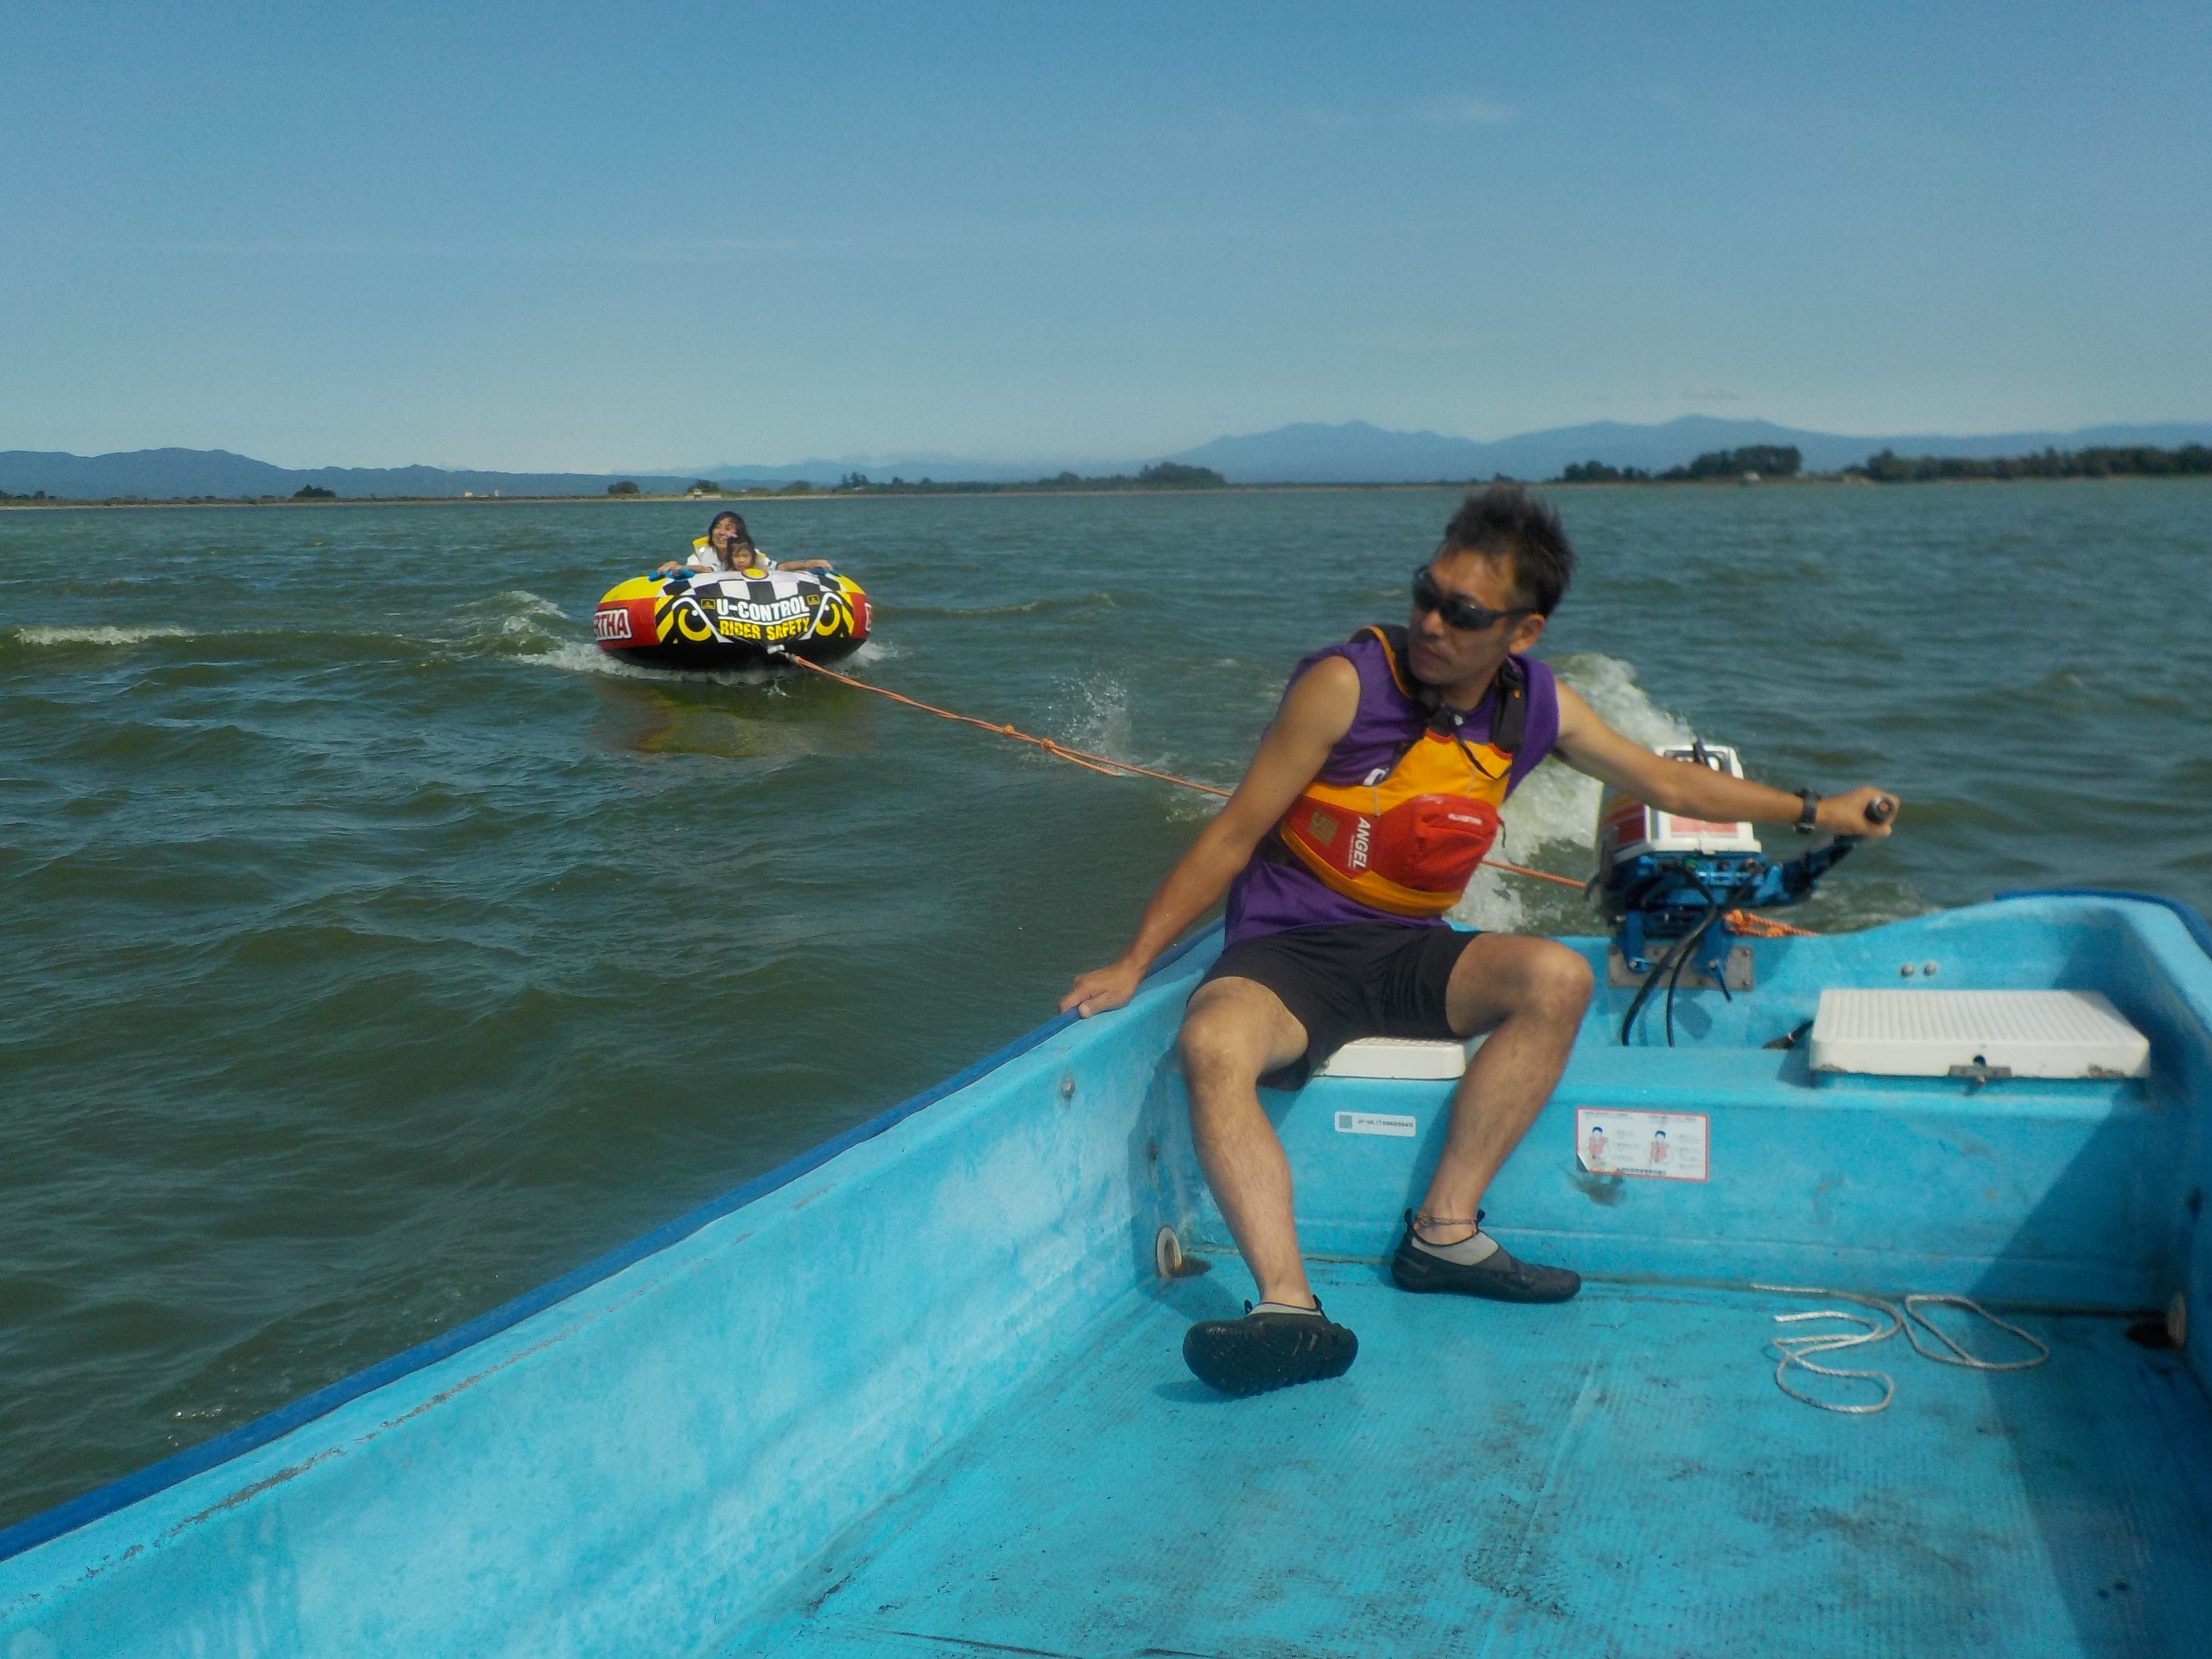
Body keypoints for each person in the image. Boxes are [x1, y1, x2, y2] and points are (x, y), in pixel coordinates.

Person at [1061, 484, 1898, 1398]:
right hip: (1286, 956)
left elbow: (1672, 785)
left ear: (1522, 631)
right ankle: (1289, 1310)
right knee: (1212, 1042)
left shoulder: (1538, 705)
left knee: (1554, 977)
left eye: (1462, 614)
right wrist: (1135, 960)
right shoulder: (1345, 684)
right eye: (1425, 593)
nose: (1430, 623)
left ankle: (1445, 1236)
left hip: (1410, 952)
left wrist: (1819, 811)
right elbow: (1231, 835)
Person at [655, 511, 836, 576]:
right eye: (717, 527)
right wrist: (674, 566)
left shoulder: (749, 555)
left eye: (728, 528)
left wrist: (809, 564)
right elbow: (695, 569)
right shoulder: (703, 552)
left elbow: (780, 567)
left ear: (738, 534)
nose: (720, 533)